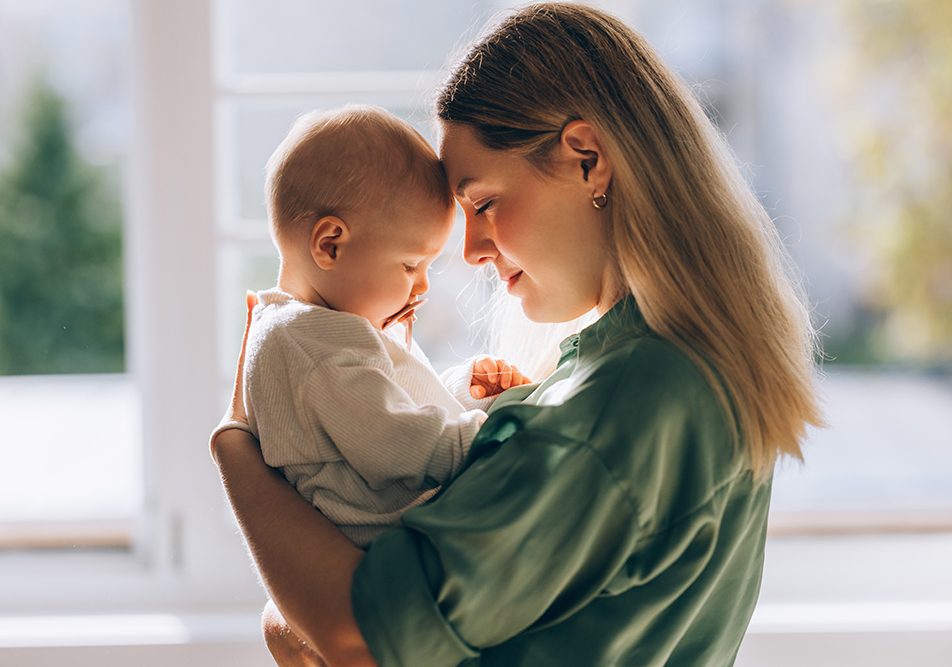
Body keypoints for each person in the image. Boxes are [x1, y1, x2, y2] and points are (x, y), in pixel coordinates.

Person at [210, 3, 823, 666]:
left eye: (484, 203)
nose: (469, 250)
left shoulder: (612, 410)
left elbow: (358, 634)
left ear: (588, 159)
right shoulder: (675, 370)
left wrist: (236, 449)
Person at [213, 105, 531, 547]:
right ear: (330, 245)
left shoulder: (308, 330)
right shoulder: (312, 345)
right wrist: (492, 436)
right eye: (410, 265)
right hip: (401, 545)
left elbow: (379, 410)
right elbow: (398, 445)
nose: (420, 286)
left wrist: (462, 393)